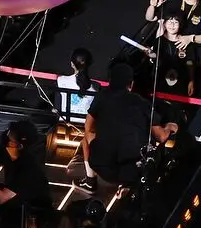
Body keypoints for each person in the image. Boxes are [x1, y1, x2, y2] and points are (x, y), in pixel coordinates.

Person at [75, 62, 179, 192]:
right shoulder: (141, 103)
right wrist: (169, 127)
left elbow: (88, 127)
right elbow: (161, 137)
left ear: (111, 81)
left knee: (87, 136)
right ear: (131, 84)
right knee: (148, 145)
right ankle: (134, 186)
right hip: (134, 171)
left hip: (103, 168)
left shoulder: (101, 97)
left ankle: (90, 181)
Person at [55, 48, 100, 122]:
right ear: (89, 64)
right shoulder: (96, 86)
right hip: (86, 126)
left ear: (72, 64)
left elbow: (57, 109)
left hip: (64, 125)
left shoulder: (61, 81)